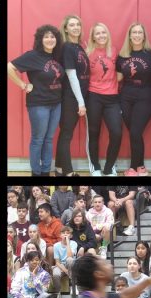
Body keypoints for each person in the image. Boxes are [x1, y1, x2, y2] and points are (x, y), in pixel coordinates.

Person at [8, 24, 63, 175]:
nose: (50, 39)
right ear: (40, 39)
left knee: (49, 139)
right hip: (39, 104)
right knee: (38, 139)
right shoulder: (33, 55)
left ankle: (46, 171)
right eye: (46, 37)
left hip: (56, 103)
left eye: (52, 37)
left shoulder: (57, 56)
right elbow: (9, 67)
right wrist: (23, 84)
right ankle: (36, 172)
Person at [117, 22, 151, 177]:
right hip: (126, 97)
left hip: (145, 97)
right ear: (129, 35)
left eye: (140, 32)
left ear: (144, 35)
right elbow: (117, 77)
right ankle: (141, 167)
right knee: (134, 133)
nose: (137, 35)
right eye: (134, 32)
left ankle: (133, 168)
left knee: (135, 132)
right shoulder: (122, 55)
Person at [84, 22, 121, 177]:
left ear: (107, 34)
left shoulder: (113, 51)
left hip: (112, 97)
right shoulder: (88, 52)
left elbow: (119, 72)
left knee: (117, 133)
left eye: (103, 32)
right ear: (93, 36)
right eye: (97, 33)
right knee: (94, 133)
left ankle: (110, 166)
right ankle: (95, 166)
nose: (101, 36)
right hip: (93, 96)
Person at [54, 15, 89, 177]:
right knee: (67, 133)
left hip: (78, 95)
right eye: (72, 25)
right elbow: (71, 76)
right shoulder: (67, 47)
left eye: (78, 25)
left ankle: (60, 167)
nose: (75, 27)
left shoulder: (79, 47)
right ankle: (68, 171)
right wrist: (81, 102)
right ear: (66, 28)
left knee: (66, 132)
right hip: (70, 96)